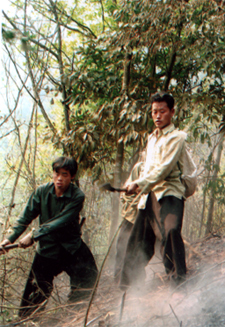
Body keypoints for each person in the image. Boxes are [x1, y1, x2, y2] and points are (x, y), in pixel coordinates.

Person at [0, 157, 98, 318]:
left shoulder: (77, 196)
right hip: (47, 249)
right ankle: (28, 321)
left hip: (71, 248)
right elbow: (25, 217)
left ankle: (73, 315)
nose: (59, 178)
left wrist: (33, 235)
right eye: (56, 173)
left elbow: (60, 222)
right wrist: (9, 239)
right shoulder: (42, 191)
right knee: (34, 294)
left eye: (64, 174)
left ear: (72, 177)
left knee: (89, 276)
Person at [120, 92, 192, 289]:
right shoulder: (151, 138)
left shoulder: (177, 138)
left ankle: (178, 282)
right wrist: (135, 183)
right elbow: (148, 167)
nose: (158, 116)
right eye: (154, 112)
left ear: (172, 112)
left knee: (171, 232)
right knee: (138, 239)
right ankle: (129, 286)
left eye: (162, 111)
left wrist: (140, 183)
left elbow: (163, 169)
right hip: (149, 195)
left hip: (169, 192)